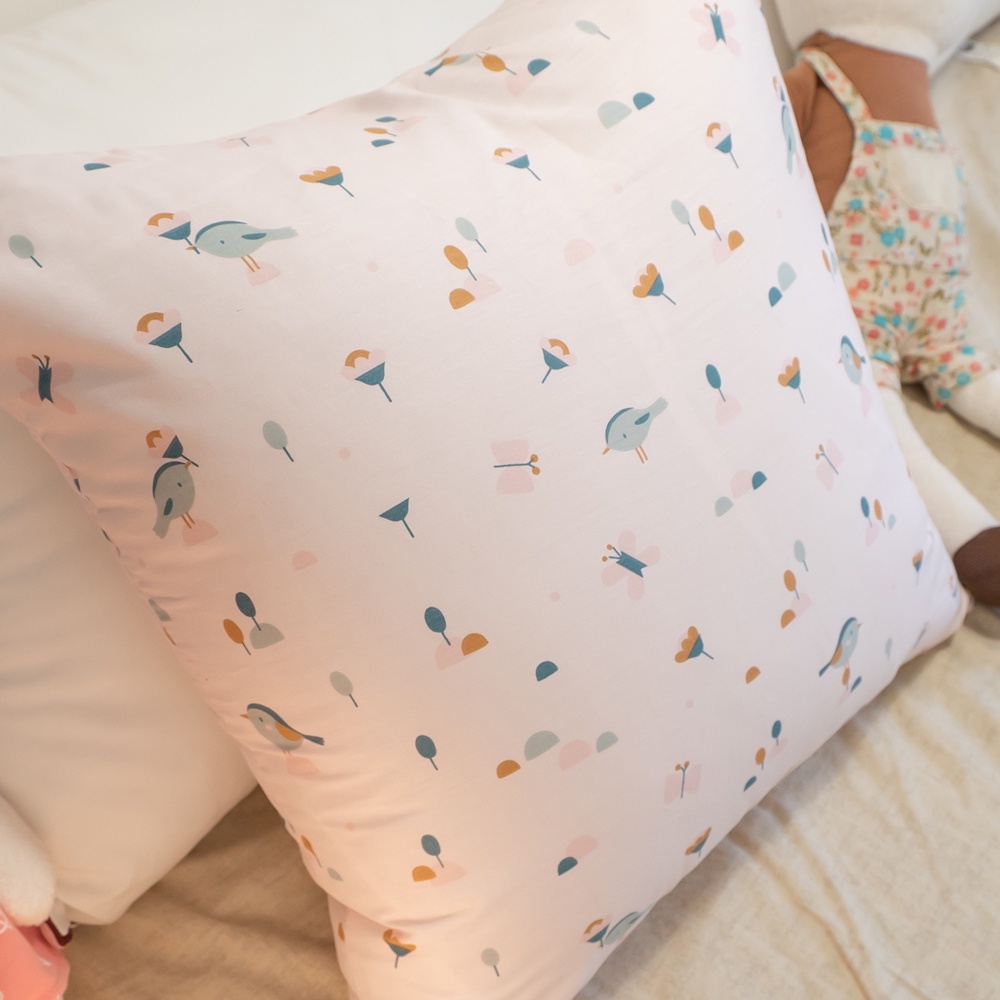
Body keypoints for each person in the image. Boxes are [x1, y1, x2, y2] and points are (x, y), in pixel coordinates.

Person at [784, 31, 1000, 608]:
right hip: (861, 300)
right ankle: (972, 539)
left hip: (941, 301)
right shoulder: (816, 76)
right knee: (872, 403)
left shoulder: (923, 73)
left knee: (969, 372)